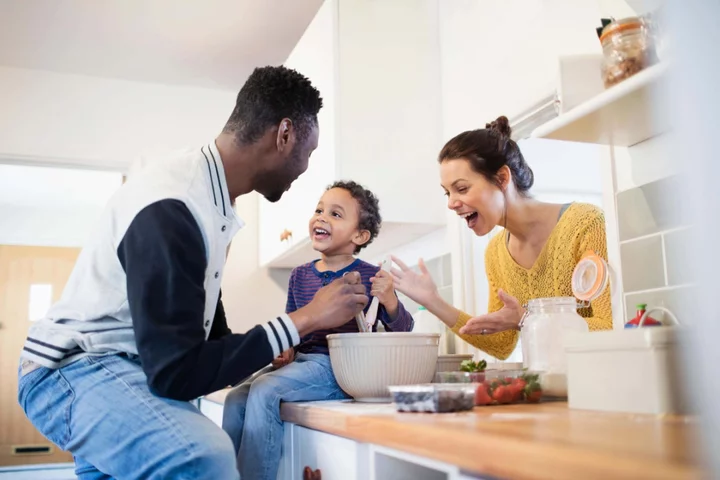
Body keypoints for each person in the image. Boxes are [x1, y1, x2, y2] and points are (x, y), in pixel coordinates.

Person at [17, 66, 370, 480]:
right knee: (202, 457)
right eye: (308, 152)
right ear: (284, 134)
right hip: (73, 369)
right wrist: (303, 319)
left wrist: (267, 349)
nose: (305, 168)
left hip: (122, 371)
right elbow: (176, 373)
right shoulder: (175, 205)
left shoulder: (212, 202)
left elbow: (206, 342)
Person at [222, 180, 413, 480]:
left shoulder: (372, 275)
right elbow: (294, 324)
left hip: (336, 368)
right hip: (302, 364)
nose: (321, 217)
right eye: (319, 209)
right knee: (235, 398)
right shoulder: (299, 275)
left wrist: (389, 301)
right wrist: (286, 350)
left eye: (336, 214)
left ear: (359, 235)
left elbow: (403, 331)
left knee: (264, 390)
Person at [391, 116, 612, 360]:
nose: (452, 203)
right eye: (447, 193)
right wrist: (433, 301)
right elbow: (501, 343)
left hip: (598, 384)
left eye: (462, 188)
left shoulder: (585, 224)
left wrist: (526, 319)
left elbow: (609, 327)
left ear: (502, 178)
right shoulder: (496, 252)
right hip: (551, 386)